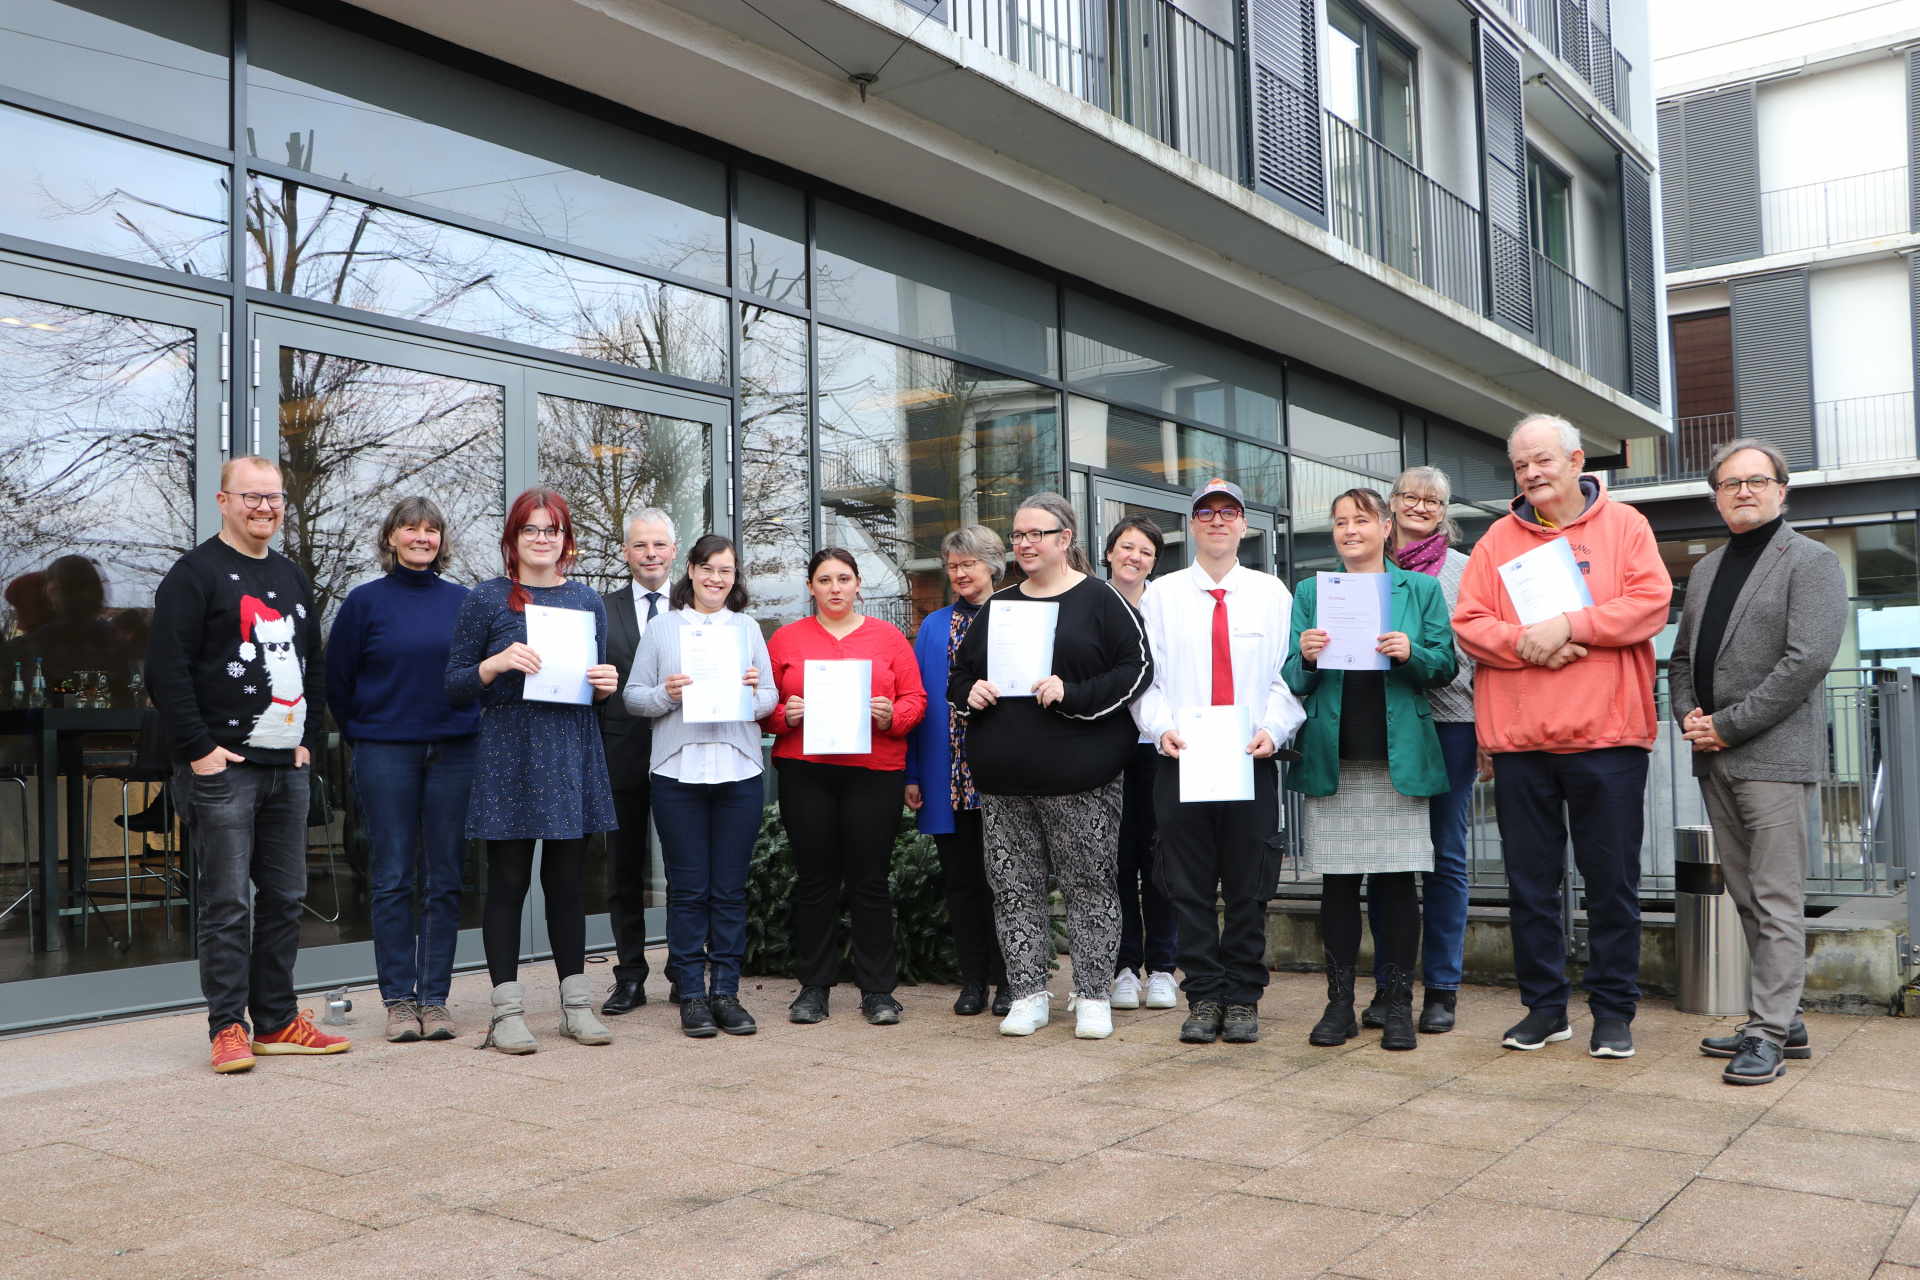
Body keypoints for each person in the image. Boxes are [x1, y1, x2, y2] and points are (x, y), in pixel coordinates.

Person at [1453, 414, 1672, 1058]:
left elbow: (1651, 602)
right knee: (1530, 887)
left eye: (1543, 460)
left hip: (1609, 738)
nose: (1532, 473)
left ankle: (1613, 1011)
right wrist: (1532, 643)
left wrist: (1570, 625)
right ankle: (1545, 1008)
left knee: (1612, 885)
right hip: (1522, 743)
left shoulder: (1626, 526)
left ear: (1577, 461)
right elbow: (1470, 623)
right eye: (1521, 464)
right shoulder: (1496, 540)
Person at [147, 455, 347, 1074]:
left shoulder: (291, 575)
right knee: (227, 903)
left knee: (285, 898)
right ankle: (228, 1027)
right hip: (222, 770)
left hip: (287, 767)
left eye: (274, 498)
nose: (265, 508)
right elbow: (166, 672)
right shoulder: (193, 575)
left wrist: (307, 740)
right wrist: (199, 750)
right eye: (251, 497)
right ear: (224, 501)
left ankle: (278, 1021)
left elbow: (313, 664)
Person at [1669, 440, 1846, 1085]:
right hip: (1714, 757)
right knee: (1747, 896)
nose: (1743, 491)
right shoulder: (1707, 569)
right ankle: (1784, 1019)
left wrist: (1727, 725)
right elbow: (1682, 659)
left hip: (1773, 757)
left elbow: (1806, 661)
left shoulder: (1813, 561)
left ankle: (1767, 1033)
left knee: (1776, 898)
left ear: (1781, 490)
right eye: (1730, 483)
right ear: (1717, 496)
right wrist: (1690, 717)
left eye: (1757, 480)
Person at [949, 492, 1152, 1041]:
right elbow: (959, 676)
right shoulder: (999, 606)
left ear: (1065, 539)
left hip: (1082, 779)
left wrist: (1074, 693)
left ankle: (1093, 995)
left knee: (1090, 887)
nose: (1024, 543)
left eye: (1036, 533)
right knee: (1014, 889)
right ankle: (1028, 994)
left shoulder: (1102, 599)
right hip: (1004, 780)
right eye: (1018, 535)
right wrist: (971, 692)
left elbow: (1137, 670)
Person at [445, 488, 620, 1055]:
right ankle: (506, 1014)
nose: (542, 539)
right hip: (510, 752)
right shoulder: (486, 598)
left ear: (565, 540)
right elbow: (454, 684)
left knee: (567, 884)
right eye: (530, 529)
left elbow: (592, 686)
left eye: (552, 529)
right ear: (513, 539)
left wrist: (605, 686)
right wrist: (494, 664)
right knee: (509, 883)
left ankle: (576, 1008)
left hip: (570, 751)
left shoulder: (587, 600)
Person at [1134, 481, 1306, 1044]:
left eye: (1228, 512)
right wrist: (1160, 728)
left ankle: (1244, 997)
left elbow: (1288, 676)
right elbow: (1147, 679)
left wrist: (1272, 730)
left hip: (1249, 758)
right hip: (1181, 758)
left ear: (1243, 526)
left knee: (1248, 886)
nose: (1217, 521)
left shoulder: (1270, 593)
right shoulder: (1162, 595)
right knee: (1186, 886)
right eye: (1205, 512)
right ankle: (1205, 995)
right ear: (1191, 525)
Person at [1286, 488, 1456, 1051]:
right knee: (1337, 884)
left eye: (1360, 520)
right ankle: (1339, 1005)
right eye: (1340, 522)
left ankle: (1398, 1005)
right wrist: (1306, 655)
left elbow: (1445, 666)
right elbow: (1291, 677)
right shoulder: (1312, 591)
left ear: (1386, 527)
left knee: (1399, 883)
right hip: (1334, 756)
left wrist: (1411, 652)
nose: (1349, 530)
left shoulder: (1421, 589)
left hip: (1397, 757)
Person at [326, 496, 479, 1044]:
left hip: (454, 751)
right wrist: (368, 733)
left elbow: (479, 673)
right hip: (386, 752)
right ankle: (398, 1000)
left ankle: (434, 1001)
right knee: (391, 877)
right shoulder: (363, 602)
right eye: (410, 528)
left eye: (431, 529)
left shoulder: (464, 602)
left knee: (445, 879)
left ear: (441, 540)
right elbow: (338, 682)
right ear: (391, 537)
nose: (421, 537)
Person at [767, 549, 927, 1026]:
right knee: (814, 880)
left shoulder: (889, 637)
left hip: (874, 770)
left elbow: (916, 698)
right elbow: (761, 705)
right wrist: (785, 715)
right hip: (806, 770)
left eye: (843, 578)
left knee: (869, 880)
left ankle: (877, 991)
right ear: (810, 587)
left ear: (858, 584)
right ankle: (813, 988)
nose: (834, 588)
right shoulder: (786, 639)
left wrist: (893, 716)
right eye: (824, 580)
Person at [626, 534, 777, 1038]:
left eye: (726, 571)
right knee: (689, 892)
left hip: (738, 773)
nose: (716, 578)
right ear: (689, 569)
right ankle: (692, 994)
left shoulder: (747, 628)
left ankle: (726, 993)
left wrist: (752, 694)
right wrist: (667, 694)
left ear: (735, 577)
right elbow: (633, 697)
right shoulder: (663, 628)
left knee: (729, 891)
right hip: (678, 774)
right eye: (708, 568)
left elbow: (769, 698)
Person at [1356, 466, 1479, 1036]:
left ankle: (1443, 989)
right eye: (1411, 496)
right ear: (1392, 503)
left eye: (1434, 500)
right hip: (1385, 724)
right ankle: (1392, 983)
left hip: (1452, 723)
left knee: (1445, 854)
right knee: (1389, 858)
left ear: (1444, 511)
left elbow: (1481, 653)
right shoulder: (1365, 567)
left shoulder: (1464, 570)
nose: (1421, 506)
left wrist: (1489, 729)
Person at [906, 527, 1012, 1018]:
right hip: (948, 775)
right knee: (963, 884)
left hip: (1005, 773)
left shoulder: (1016, 613)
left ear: (992, 565)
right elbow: (918, 704)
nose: (960, 573)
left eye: (969, 563)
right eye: (952, 566)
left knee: (1008, 882)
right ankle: (973, 982)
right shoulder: (933, 626)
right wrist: (912, 774)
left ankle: (1012, 980)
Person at [598, 508, 678, 1016]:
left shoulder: (696, 607)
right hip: (620, 754)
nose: (650, 554)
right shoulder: (600, 609)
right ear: (626, 552)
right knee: (623, 873)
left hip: (682, 753)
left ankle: (683, 969)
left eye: (659, 544)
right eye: (640, 545)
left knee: (684, 873)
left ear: (674, 551)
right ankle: (629, 976)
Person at [1103, 514, 1181, 1015]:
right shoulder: (1090, 600)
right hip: (1103, 748)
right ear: (1110, 551)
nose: (1135, 557)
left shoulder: (1164, 607)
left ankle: (1164, 968)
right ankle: (1124, 968)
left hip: (1158, 745)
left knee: (1159, 860)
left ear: (1154, 562)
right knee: (1116, 861)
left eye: (1146, 552)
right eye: (1127, 547)